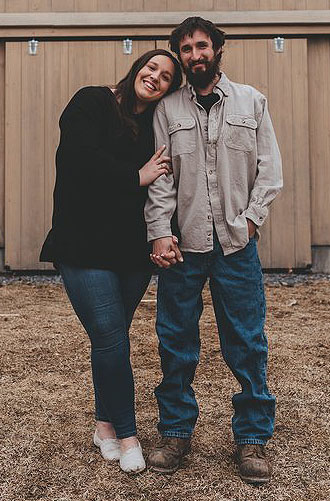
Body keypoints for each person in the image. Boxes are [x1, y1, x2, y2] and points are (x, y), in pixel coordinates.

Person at [145, 17, 283, 483]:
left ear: (217, 49)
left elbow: (269, 169)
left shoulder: (252, 101)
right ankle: (176, 432)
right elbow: (162, 177)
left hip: (235, 245)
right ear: (180, 56)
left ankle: (251, 438)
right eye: (185, 49)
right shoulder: (167, 109)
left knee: (246, 342)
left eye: (202, 46)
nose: (194, 55)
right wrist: (160, 231)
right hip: (183, 245)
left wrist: (250, 219)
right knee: (176, 342)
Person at [40, 49, 182, 474]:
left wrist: (164, 233)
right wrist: (134, 176)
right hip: (83, 245)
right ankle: (128, 434)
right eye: (151, 67)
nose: (155, 77)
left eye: (166, 77)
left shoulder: (155, 125)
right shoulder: (92, 100)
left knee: (112, 338)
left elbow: (164, 186)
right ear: (137, 67)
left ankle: (104, 426)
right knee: (108, 335)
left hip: (130, 251)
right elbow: (77, 160)